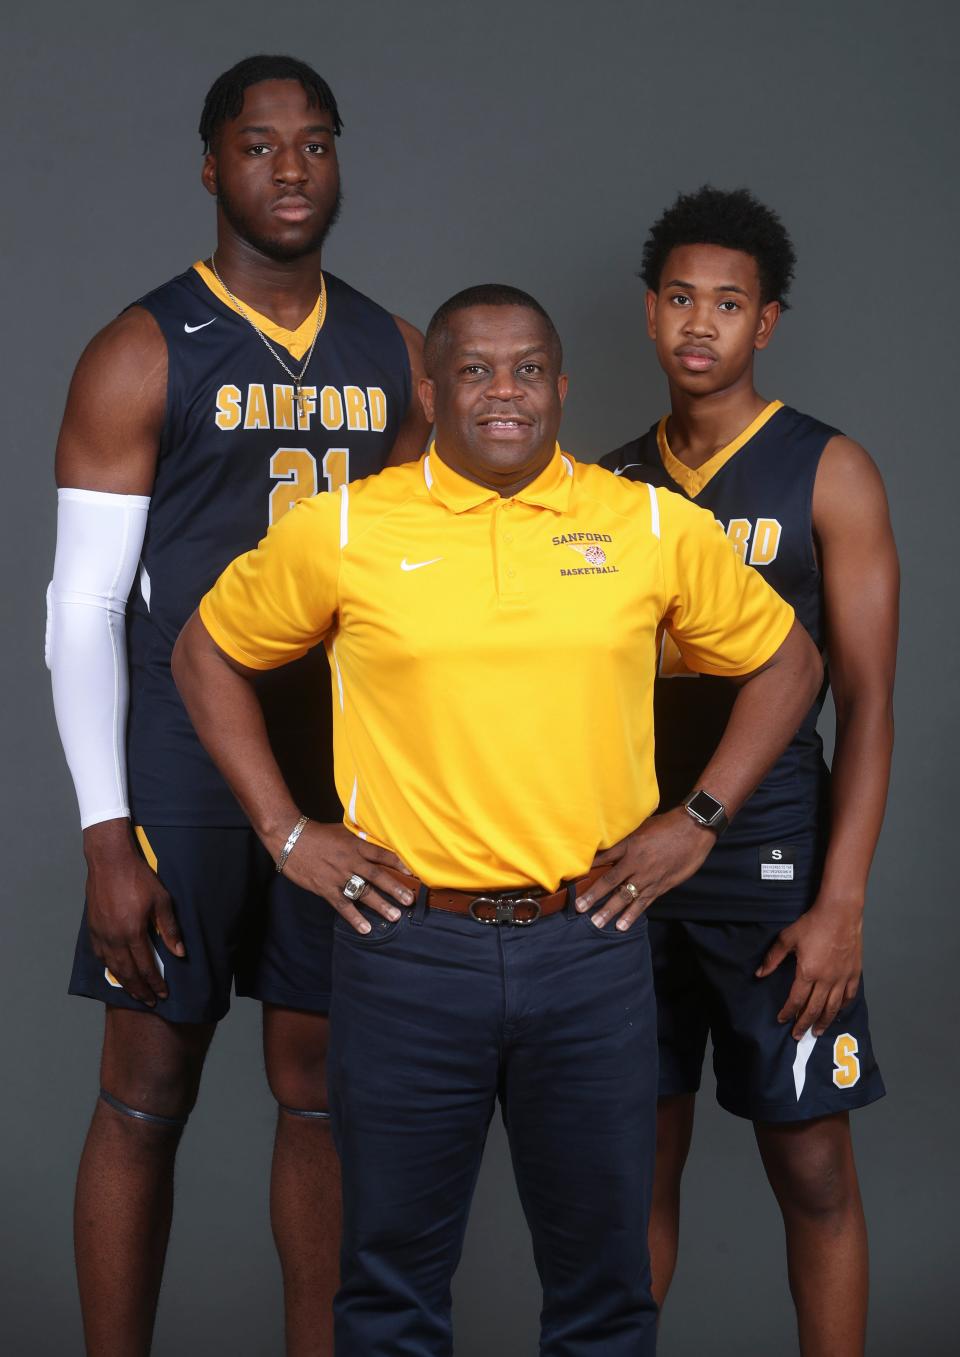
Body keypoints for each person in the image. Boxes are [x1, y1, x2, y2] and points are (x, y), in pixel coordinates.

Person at [171, 282, 823, 1356]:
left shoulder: (648, 521)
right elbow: (205, 652)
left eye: (527, 369)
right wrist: (289, 832)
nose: (503, 391)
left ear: (561, 387)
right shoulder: (346, 525)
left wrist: (699, 817)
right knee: (386, 1292)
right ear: (431, 390)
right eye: (474, 369)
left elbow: (790, 660)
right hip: (406, 951)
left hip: (591, 945)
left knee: (606, 1294)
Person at [47, 53, 429, 1357]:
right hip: (182, 761)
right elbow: (83, 612)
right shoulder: (142, 347)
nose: (290, 170)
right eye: (261, 147)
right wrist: (107, 829)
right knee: (147, 1088)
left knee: (320, 1086)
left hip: (336, 760)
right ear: (211, 167)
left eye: (315, 145)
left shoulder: (397, 351)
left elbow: (424, 597)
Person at [601, 186, 898, 1356]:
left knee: (813, 1165)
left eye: (729, 303)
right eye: (682, 298)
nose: (701, 324)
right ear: (649, 312)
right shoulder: (605, 487)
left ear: (766, 322)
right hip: (629, 866)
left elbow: (868, 701)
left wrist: (844, 900)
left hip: (775, 864)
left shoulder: (830, 470)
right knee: (636, 1168)